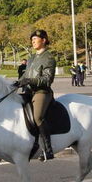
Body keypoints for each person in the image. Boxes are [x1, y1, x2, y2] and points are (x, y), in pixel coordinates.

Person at [16, 30, 56, 161]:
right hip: (28, 91)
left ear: (44, 40)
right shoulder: (32, 58)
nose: (32, 41)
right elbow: (25, 75)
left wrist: (30, 81)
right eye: (32, 39)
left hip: (41, 92)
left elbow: (47, 79)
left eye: (35, 38)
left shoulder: (49, 57)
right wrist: (17, 83)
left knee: (38, 117)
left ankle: (48, 150)